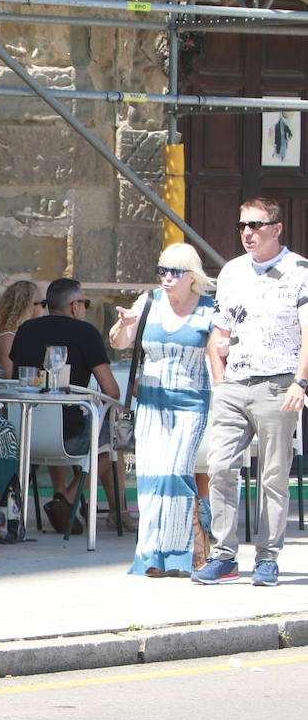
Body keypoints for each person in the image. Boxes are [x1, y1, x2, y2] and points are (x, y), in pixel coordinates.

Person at [194, 197, 308, 587]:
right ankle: (223, 556)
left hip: (279, 385)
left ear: (277, 228)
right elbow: (219, 331)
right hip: (233, 386)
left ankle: (267, 557)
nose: (247, 233)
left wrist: (301, 382)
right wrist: (218, 378)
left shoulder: (299, 271)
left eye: (256, 225)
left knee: (274, 475)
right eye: (242, 225)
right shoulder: (231, 272)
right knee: (222, 467)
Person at [110, 243, 216, 578]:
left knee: (175, 473)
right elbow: (118, 342)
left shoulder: (210, 309)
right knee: (150, 477)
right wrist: (125, 325)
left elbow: (222, 352)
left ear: (192, 277)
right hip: (151, 403)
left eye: (175, 272)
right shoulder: (150, 302)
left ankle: (183, 552)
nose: (167, 278)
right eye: (162, 271)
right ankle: (152, 556)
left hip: (191, 403)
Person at [11, 277, 129, 533]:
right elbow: (112, 391)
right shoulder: (85, 333)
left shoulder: (26, 330)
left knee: (104, 433)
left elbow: (14, 377)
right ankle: (70, 496)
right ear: (75, 306)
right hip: (69, 436)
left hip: (24, 435)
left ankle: (106, 509)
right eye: (85, 303)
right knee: (120, 434)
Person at [0, 280, 43, 379]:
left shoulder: (24, 335)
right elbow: (13, 378)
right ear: (28, 306)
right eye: (43, 303)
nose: (44, 308)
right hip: (11, 393)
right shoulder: (8, 338)